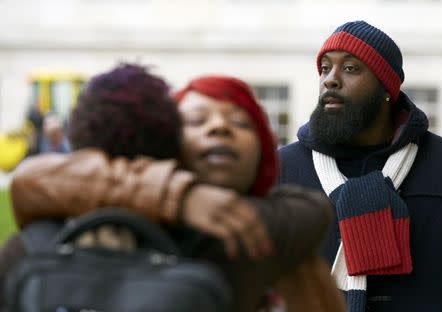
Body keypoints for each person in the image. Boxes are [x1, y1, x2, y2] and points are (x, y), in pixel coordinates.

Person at [0, 65, 343, 311]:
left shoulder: (275, 226)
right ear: (169, 142)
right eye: (196, 120)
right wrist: (181, 197)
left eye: (241, 122)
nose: (219, 128)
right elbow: (32, 180)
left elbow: (306, 214)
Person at [278, 20, 442, 312]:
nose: (330, 80)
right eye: (324, 68)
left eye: (350, 68)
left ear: (386, 88)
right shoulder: (283, 169)